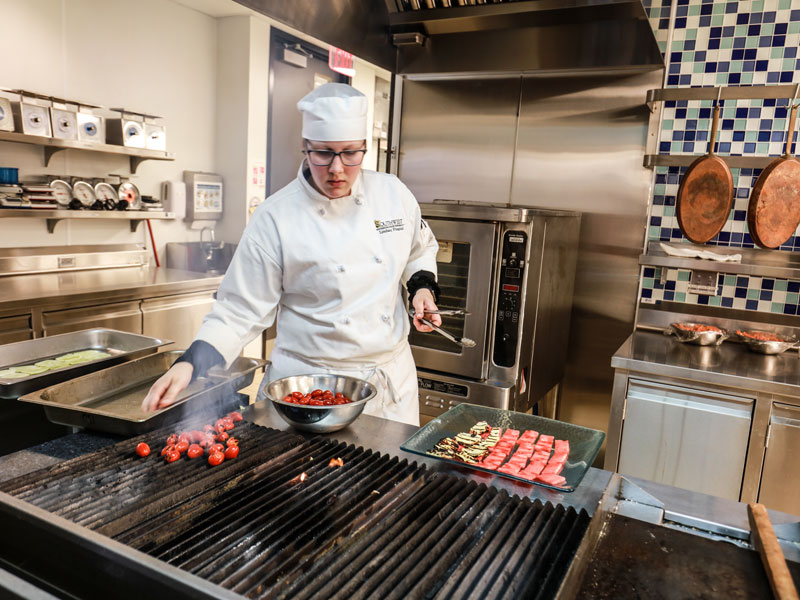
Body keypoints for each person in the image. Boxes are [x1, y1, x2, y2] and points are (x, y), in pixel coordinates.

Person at [141, 83, 441, 426]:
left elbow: (419, 249)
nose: (337, 168)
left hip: (389, 385)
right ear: (305, 147)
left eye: (350, 153)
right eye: (324, 153)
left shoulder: (393, 194)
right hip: (306, 388)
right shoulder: (276, 217)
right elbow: (239, 310)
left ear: (364, 147)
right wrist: (190, 363)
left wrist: (422, 289)